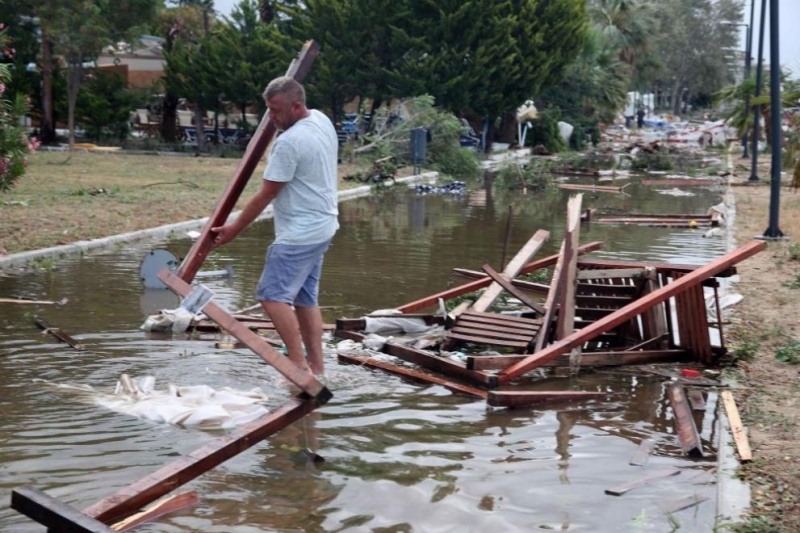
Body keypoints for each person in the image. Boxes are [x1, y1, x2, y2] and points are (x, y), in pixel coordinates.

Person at [211, 76, 339, 376]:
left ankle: (297, 365)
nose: (271, 118)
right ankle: (317, 369)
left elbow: (267, 192)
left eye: (277, 110)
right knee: (305, 299)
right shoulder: (320, 120)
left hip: (301, 233)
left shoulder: (290, 142)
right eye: (268, 109)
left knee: (271, 296)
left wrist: (234, 228)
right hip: (323, 225)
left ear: (296, 106)